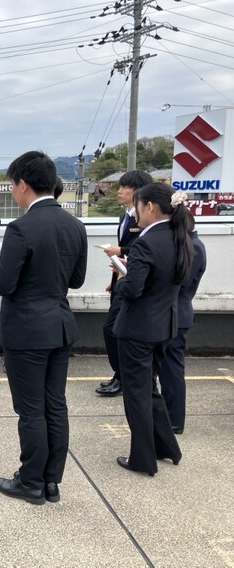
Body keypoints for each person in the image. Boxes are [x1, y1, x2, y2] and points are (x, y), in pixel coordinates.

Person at [0, 151, 88, 505]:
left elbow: (3, 285)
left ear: (23, 184)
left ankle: (30, 482)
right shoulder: (75, 225)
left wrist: (3, 262)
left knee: (31, 410)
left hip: (26, 331)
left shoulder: (20, 228)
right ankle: (51, 482)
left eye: (13, 185)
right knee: (55, 405)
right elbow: (76, 280)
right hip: (60, 326)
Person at [113, 183, 191, 476]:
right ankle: (167, 447)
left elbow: (133, 290)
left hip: (138, 329)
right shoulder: (179, 236)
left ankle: (142, 459)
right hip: (164, 324)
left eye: (137, 206)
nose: (135, 213)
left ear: (150, 207)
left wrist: (123, 276)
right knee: (149, 389)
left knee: (137, 396)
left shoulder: (146, 242)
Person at [96, 170, 153, 397]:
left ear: (137, 191)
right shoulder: (125, 217)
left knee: (113, 329)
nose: (119, 191)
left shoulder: (146, 219)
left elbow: (146, 249)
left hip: (134, 283)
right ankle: (121, 375)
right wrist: (115, 280)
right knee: (115, 329)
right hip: (122, 279)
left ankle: (122, 376)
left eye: (124, 187)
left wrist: (121, 250)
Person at [158, 204, 206, 435]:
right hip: (174, 314)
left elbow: (181, 282)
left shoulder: (193, 247)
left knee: (172, 371)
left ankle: (175, 420)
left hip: (178, 315)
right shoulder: (190, 244)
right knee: (167, 370)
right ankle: (170, 416)